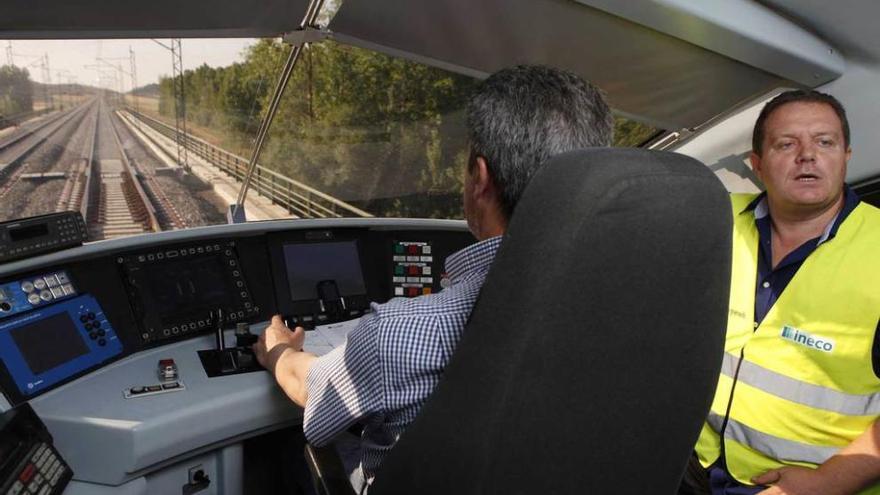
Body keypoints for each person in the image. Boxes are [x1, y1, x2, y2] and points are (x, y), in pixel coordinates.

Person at [252, 65, 614, 492]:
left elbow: (310, 388)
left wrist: (277, 351)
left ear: (479, 178)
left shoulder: (401, 332)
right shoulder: (632, 306)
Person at [681, 90, 880, 495]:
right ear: (758, 165)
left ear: (846, 156)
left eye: (825, 142)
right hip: (690, 465)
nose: (807, 155)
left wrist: (827, 482)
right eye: (786, 144)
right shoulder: (712, 221)